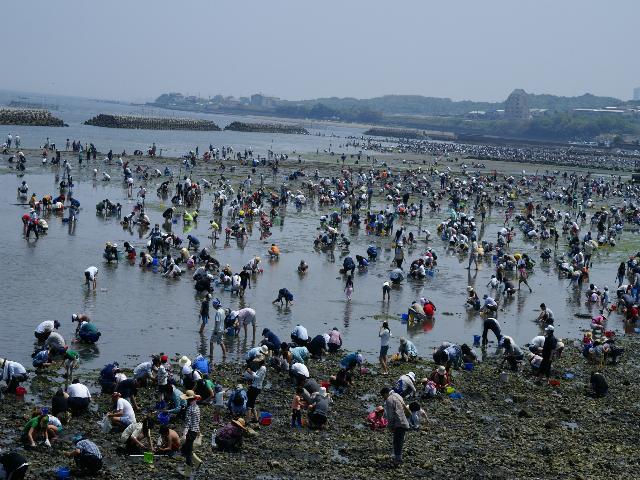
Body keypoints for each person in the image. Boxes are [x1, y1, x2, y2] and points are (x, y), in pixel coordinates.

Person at [381, 386, 410, 466]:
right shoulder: (397, 395)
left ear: (386, 393)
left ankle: (398, 460)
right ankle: (397, 457)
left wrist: (390, 426)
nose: (384, 398)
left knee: (397, 442)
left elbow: (390, 415)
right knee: (398, 441)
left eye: (383, 396)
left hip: (398, 423)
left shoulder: (389, 400)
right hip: (403, 421)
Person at [181, 390, 202, 476]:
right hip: (195, 431)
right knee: (185, 449)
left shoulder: (189, 409)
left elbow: (188, 422)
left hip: (190, 432)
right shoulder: (197, 407)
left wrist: (184, 434)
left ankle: (188, 471)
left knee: (188, 452)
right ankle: (197, 462)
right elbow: (197, 421)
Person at [244, 359, 267, 423]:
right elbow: (256, 376)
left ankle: (247, 421)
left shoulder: (262, 368)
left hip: (256, 388)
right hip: (255, 387)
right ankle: (256, 419)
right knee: (252, 403)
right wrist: (252, 372)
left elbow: (258, 378)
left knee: (249, 404)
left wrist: (251, 372)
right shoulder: (260, 368)